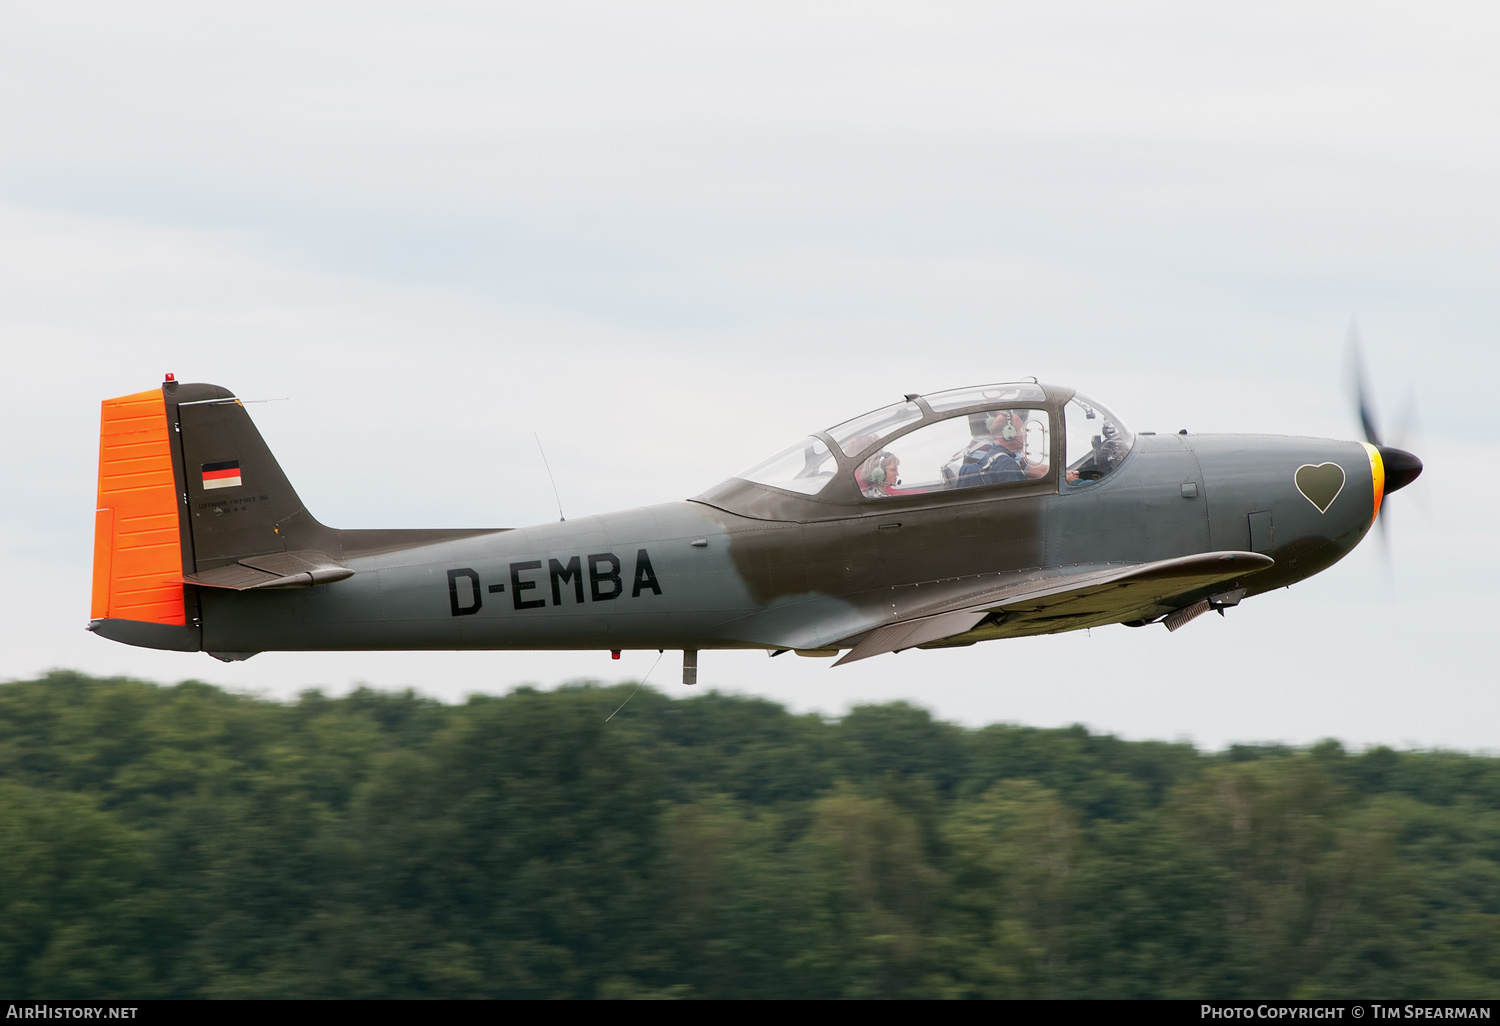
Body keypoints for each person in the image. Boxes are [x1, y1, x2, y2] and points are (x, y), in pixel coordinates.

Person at [956, 410, 1028, 488]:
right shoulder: (1007, 465)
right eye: (1021, 430)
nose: (1025, 435)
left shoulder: (990, 457)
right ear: (1009, 434)